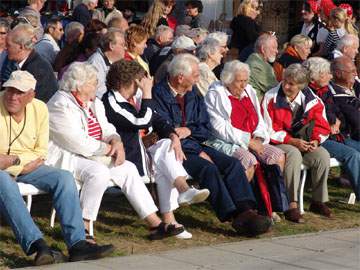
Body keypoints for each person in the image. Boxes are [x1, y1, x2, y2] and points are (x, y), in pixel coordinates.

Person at [47, 62, 186, 241]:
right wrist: (108, 149)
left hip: (94, 154)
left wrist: (116, 141)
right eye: (93, 82)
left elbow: (107, 128)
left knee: (128, 168)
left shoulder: (92, 101)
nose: (97, 86)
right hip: (68, 156)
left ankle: (155, 224)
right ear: (79, 85)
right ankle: (84, 226)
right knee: (98, 173)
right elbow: (76, 142)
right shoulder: (60, 103)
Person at [0, 70, 114, 266]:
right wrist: (17, 163)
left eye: (19, 92)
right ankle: (38, 245)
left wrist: (14, 161)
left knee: (63, 178)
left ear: (31, 95)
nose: (12, 96)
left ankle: (78, 244)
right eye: (9, 90)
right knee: (3, 182)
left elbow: (41, 151)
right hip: (10, 169)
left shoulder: (40, 109)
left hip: (27, 165)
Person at [152, 53, 272, 236]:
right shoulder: (159, 94)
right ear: (180, 77)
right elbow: (163, 129)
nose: (198, 79)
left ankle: (247, 209)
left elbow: (206, 127)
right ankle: (233, 217)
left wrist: (190, 131)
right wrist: (195, 147)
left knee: (232, 164)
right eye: (195, 75)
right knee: (209, 169)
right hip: (175, 150)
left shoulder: (192, 94)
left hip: (197, 143)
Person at [102, 60, 210, 238]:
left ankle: (180, 199)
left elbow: (158, 119)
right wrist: (147, 93)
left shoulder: (135, 97)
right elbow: (141, 121)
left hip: (147, 150)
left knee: (166, 148)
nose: (143, 84)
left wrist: (173, 135)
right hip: (131, 155)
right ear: (128, 82)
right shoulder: (110, 101)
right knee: (163, 160)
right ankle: (172, 214)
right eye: (139, 81)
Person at [262, 64, 331, 218]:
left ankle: (318, 201)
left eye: (291, 84)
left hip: (304, 141)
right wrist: (290, 140)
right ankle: (290, 203)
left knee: (322, 156)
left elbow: (323, 126)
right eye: (285, 81)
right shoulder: (270, 98)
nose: (286, 86)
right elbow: (268, 129)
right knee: (293, 155)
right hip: (279, 142)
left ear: (301, 86)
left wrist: (316, 141)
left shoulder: (313, 100)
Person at [204, 60, 285, 181]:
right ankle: (243, 198)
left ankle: (274, 197)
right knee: (248, 160)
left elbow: (259, 119)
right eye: (240, 81)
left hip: (254, 140)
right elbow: (219, 128)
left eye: (246, 80)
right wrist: (248, 141)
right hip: (227, 142)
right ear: (228, 80)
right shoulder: (215, 95)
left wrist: (258, 137)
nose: (243, 85)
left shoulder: (249, 91)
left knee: (278, 156)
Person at [304, 57, 360, 201]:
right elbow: (312, 117)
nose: (330, 76)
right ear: (313, 77)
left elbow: (333, 110)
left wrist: (336, 121)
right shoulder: (306, 93)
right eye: (326, 73)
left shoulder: (325, 90)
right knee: (352, 155)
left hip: (336, 135)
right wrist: (331, 121)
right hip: (319, 138)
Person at [5, 24, 58, 102]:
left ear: (21, 47)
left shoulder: (38, 69)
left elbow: (34, 103)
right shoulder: (18, 63)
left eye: (8, 45)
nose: (5, 48)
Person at [87, 29, 124, 98]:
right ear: (111, 46)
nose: (125, 48)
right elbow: (98, 93)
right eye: (122, 44)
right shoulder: (95, 63)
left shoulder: (114, 62)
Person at [330, 56, 360, 140]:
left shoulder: (357, 86)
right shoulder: (331, 94)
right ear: (338, 73)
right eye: (352, 71)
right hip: (349, 136)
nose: (356, 74)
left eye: (356, 70)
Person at [246, 33, 279, 99]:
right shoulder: (256, 65)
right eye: (274, 47)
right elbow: (275, 90)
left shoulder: (259, 62)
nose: (277, 51)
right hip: (258, 107)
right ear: (263, 49)